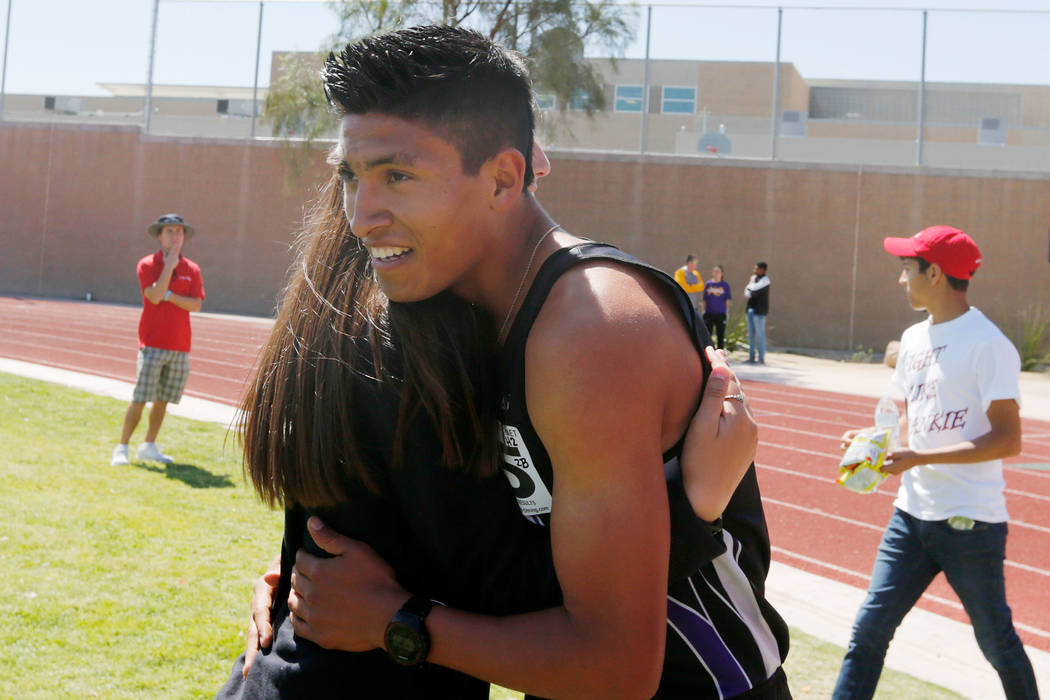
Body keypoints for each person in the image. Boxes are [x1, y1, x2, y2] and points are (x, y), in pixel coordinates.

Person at [220, 26, 789, 699]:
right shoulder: (454, 302)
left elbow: (617, 665)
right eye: (351, 175)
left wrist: (390, 620)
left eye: (397, 175)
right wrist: (301, 581)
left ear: (504, 178)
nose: (363, 214)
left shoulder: (591, 333)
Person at [832, 226, 1038, 700]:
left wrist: (919, 457)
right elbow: (908, 423)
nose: (901, 279)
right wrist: (870, 442)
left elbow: (1009, 440)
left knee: (996, 643)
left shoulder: (989, 343)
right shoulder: (912, 339)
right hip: (911, 516)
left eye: (907, 268)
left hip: (970, 525)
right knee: (868, 633)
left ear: (935, 272)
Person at [111, 213, 204, 466]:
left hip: (180, 347)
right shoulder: (147, 265)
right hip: (152, 344)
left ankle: (149, 445)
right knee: (140, 397)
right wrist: (169, 267)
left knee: (163, 400)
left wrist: (170, 294)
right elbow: (153, 296)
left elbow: (196, 304)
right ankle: (122, 447)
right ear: (159, 236)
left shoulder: (193, 269)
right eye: (170, 232)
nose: (176, 237)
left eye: (180, 232)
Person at [744, 261, 770, 364]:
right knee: (751, 335)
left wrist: (751, 284)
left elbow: (754, 288)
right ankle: (751, 357)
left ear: (762, 270)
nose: (754, 270)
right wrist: (751, 286)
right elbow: (746, 292)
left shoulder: (766, 280)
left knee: (760, 335)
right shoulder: (754, 280)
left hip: (759, 312)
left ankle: (761, 358)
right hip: (750, 310)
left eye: (756, 268)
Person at [702, 264, 732, 350]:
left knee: (720, 336)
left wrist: (726, 312)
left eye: (718, 271)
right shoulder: (708, 284)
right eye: (714, 271)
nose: (715, 273)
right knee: (707, 335)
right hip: (709, 313)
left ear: (722, 273)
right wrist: (704, 311)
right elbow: (705, 299)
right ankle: (708, 353)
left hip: (721, 314)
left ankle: (720, 353)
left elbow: (727, 300)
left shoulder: (725, 285)